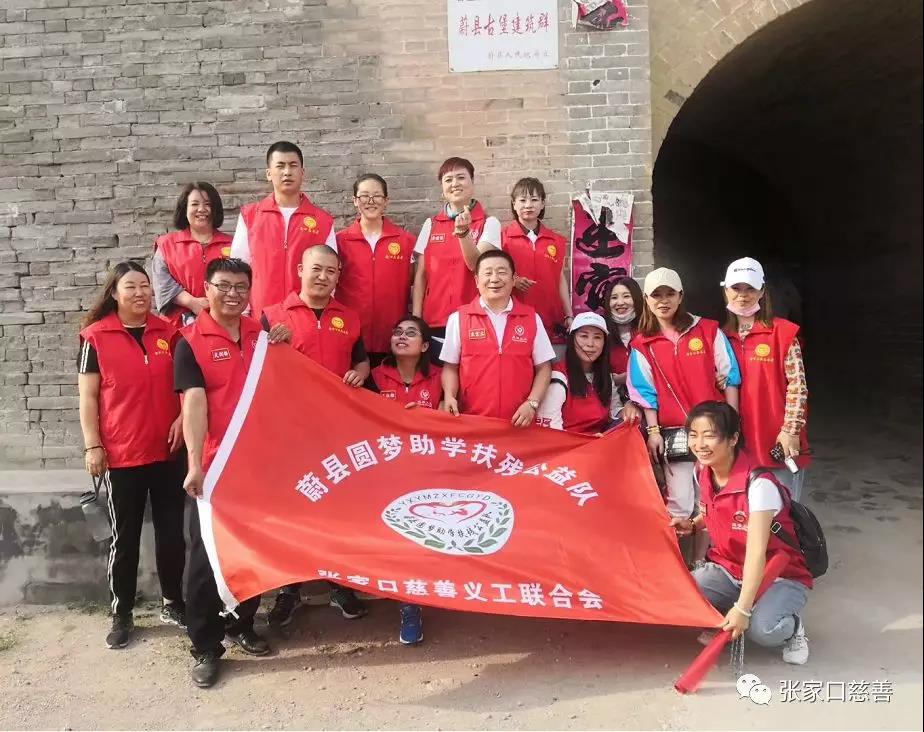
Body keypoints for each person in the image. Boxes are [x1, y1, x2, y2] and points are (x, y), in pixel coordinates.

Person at [174, 258, 291, 688]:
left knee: (251, 549)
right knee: (205, 559)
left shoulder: (261, 335)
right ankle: (205, 646)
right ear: (206, 289)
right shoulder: (190, 342)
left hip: (257, 464)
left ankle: (242, 624)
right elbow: (194, 405)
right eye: (223, 286)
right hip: (214, 467)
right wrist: (195, 464)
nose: (233, 294)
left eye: (241, 287)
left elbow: (283, 386)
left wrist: (283, 343)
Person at [77, 261, 186, 650]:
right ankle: (121, 611)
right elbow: (88, 397)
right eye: (130, 286)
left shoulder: (168, 332)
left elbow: (186, 385)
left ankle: (172, 603)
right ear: (114, 293)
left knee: (172, 534)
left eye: (145, 285)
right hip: (122, 455)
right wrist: (93, 445)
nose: (140, 293)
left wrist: (182, 419)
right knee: (124, 538)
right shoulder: (95, 337)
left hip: (168, 452)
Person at [261, 245, 369, 629]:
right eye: (316, 269)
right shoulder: (271, 316)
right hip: (289, 432)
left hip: (335, 431)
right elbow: (253, 369)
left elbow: (361, 359)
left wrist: (359, 372)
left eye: (331, 271)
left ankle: (339, 583)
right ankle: (289, 589)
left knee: (337, 509)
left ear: (339, 276)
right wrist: (268, 345)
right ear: (300, 269)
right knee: (293, 510)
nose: (323, 277)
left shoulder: (349, 318)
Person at [672, 401, 811, 665]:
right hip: (729, 569)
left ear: (733, 439)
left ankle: (793, 627)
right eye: (693, 435)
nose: (699, 444)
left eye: (709, 435)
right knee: (684, 597)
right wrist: (693, 524)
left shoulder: (758, 486)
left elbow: (757, 554)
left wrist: (743, 610)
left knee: (763, 630)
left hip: (778, 575)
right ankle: (733, 610)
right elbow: (715, 509)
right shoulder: (703, 470)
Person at [627, 267, 740, 521]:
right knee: (679, 504)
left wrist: (733, 422)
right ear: (646, 299)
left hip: (713, 432)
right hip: (674, 435)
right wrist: (653, 432)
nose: (663, 301)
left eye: (670, 294)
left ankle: (709, 548)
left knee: (712, 501)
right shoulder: (642, 344)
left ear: (681, 296)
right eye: (656, 295)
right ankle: (678, 549)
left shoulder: (708, 330)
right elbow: (645, 392)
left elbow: (730, 375)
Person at [370, 316, 443, 645]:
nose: (401, 337)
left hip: (429, 471)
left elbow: (455, 418)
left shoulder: (441, 378)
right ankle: (408, 604)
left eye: (410, 333)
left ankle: (427, 595)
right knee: (398, 540)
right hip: (385, 473)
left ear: (425, 345)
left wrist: (429, 417)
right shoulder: (373, 377)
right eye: (397, 332)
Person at [721, 257, 810, 501]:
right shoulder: (720, 337)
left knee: (783, 511)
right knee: (743, 510)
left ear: (762, 291)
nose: (742, 295)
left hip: (777, 438)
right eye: (736, 288)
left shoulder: (783, 332)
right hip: (738, 440)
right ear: (725, 290)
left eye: (750, 288)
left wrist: (790, 431)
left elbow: (798, 386)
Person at [440, 249, 554, 424]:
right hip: (472, 421)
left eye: (501, 272)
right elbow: (450, 367)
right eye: (488, 273)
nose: (494, 279)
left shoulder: (531, 318)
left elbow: (544, 368)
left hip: (519, 423)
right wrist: (449, 396)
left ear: (513, 279)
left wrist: (532, 403)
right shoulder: (459, 318)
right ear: (477, 281)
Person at [230, 140, 337, 318]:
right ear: (269, 173)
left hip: (306, 316)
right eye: (280, 166)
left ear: (302, 173)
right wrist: (244, 312)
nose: (287, 172)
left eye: (293, 165)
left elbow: (330, 272)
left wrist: (321, 315)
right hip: (260, 315)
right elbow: (238, 268)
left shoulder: (322, 221)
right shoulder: (251, 216)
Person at [411, 157, 501, 345]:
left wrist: (464, 233)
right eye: (448, 179)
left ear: (472, 183)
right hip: (434, 321)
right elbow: (421, 275)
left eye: (461, 177)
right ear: (442, 188)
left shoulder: (489, 223)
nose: (455, 184)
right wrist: (416, 320)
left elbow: (476, 265)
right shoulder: (431, 224)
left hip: (475, 320)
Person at [335, 174, 415, 366]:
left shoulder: (406, 241)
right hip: (350, 336)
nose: (370, 201)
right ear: (355, 200)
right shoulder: (339, 241)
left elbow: (414, 282)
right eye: (364, 196)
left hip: (393, 336)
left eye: (377, 196)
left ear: (386, 201)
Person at [536, 312, 641, 434]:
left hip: (601, 441)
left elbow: (614, 412)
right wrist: (587, 441)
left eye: (597, 337)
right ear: (572, 339)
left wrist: (628, 407)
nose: (590, 344)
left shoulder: (605, 375)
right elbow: (550, 432)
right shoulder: (558, 377)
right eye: (584, 336)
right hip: (569, 443)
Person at [501, 178, 573, 343]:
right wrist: (513, 281)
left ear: (542, 204)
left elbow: (559, 278)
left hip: (551, 319)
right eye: (522, 200)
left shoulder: (556, 241)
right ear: (514, 204)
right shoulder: (502, 238)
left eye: (534, 200)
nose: (528, 205)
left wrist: (569, 314)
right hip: (513, 317)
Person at [152, 182, 231, 327]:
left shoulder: (232, 244)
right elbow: (163, 283)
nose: (201, 209)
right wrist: (192, 302)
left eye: (207, 204)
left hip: (223, 322)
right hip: (177, 326)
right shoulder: (167, 245)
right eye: (194, 204)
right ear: (185, 209)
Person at [600, 276, 644, 416]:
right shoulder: (601, 334)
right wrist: (614, 379)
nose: (620, 303)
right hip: (613, 406)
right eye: (614, 298)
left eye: (626, 296)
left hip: (648, 401)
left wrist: (627, 377)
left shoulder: (649, 331)